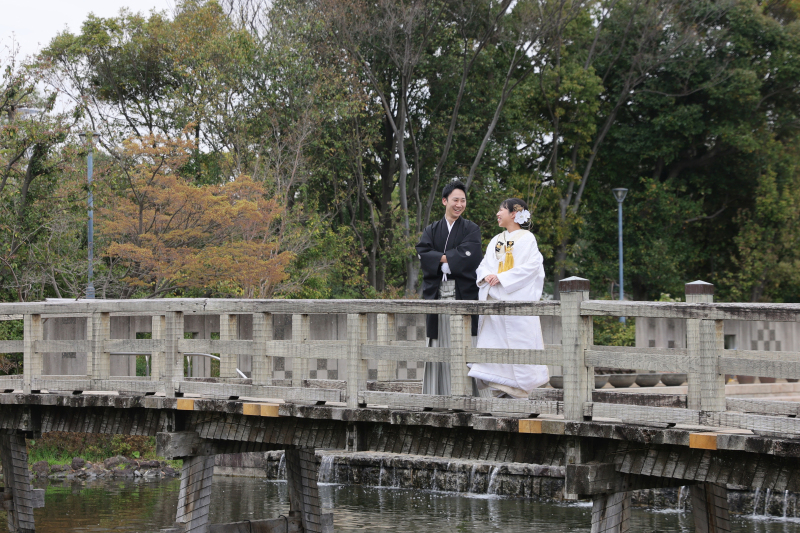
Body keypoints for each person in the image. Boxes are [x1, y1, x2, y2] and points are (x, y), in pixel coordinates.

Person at [468, 198, 549, 398]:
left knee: (521, 345)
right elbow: (484, 264)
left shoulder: (528, 238)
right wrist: (487, 275)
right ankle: (501, 390)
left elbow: (531, 268)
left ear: (514, 213)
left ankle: (521, 390)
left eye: (501, 209)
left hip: (517, 303)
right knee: (496, 345)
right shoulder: (496, 239)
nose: (497, 213)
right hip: (495, 302)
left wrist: (502, 278)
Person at [416, 180, 483, 395]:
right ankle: (437, 394)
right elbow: (422, 253)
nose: (459, 204)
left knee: (464, 341)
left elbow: (470, 256)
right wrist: (450, 258)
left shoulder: (471, 229)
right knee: (438, 341)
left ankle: (468, 393)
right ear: (445, 201)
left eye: (463, 200)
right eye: (455, 199)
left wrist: (439, 258)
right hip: (438, 292)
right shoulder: (432, 229)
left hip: (463, 292)